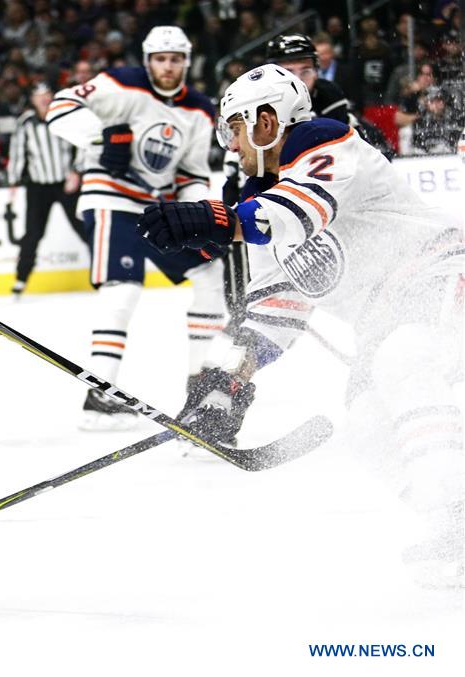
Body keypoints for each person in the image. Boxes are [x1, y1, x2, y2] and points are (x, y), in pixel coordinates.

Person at [137, 64, 463, 588]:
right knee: (366, 424)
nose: (232, 145)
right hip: (383, 318)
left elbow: (299, 210)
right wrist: (228, 383)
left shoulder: (326, 142)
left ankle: (453, 515)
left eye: (235, 129)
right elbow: (276, 309)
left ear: (266, 122)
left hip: (440, 274)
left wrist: (219, 220)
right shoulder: (263, 200)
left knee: (404, 360)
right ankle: (453, 526)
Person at [47, 26, 230, 430]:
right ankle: (100, 396)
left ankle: (199, 386)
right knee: (123, 289)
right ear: (148, 61)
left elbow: (191, 172)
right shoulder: (121, 83)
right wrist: (102, 138)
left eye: (175, 59)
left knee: (209, 273)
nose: (168, 67)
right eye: (160, 59)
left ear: (186, 62)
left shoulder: (199, 108)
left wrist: (197, 215)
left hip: (158, 209)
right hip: (112, 200)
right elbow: (60, 108)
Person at [8, 83, 84, 296]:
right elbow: (17, 152)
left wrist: (77, 171)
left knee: (83, 227)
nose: (43, 99)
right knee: (33, 232)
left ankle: (103, 274)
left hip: (65, 183)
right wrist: (13, 181)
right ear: (32, 100)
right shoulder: (26, 122)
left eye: (46, 94)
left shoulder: (64, 115)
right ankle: (21, 278)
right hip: (38, 185)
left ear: (52, 96)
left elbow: (80, 143)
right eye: (38, 95)